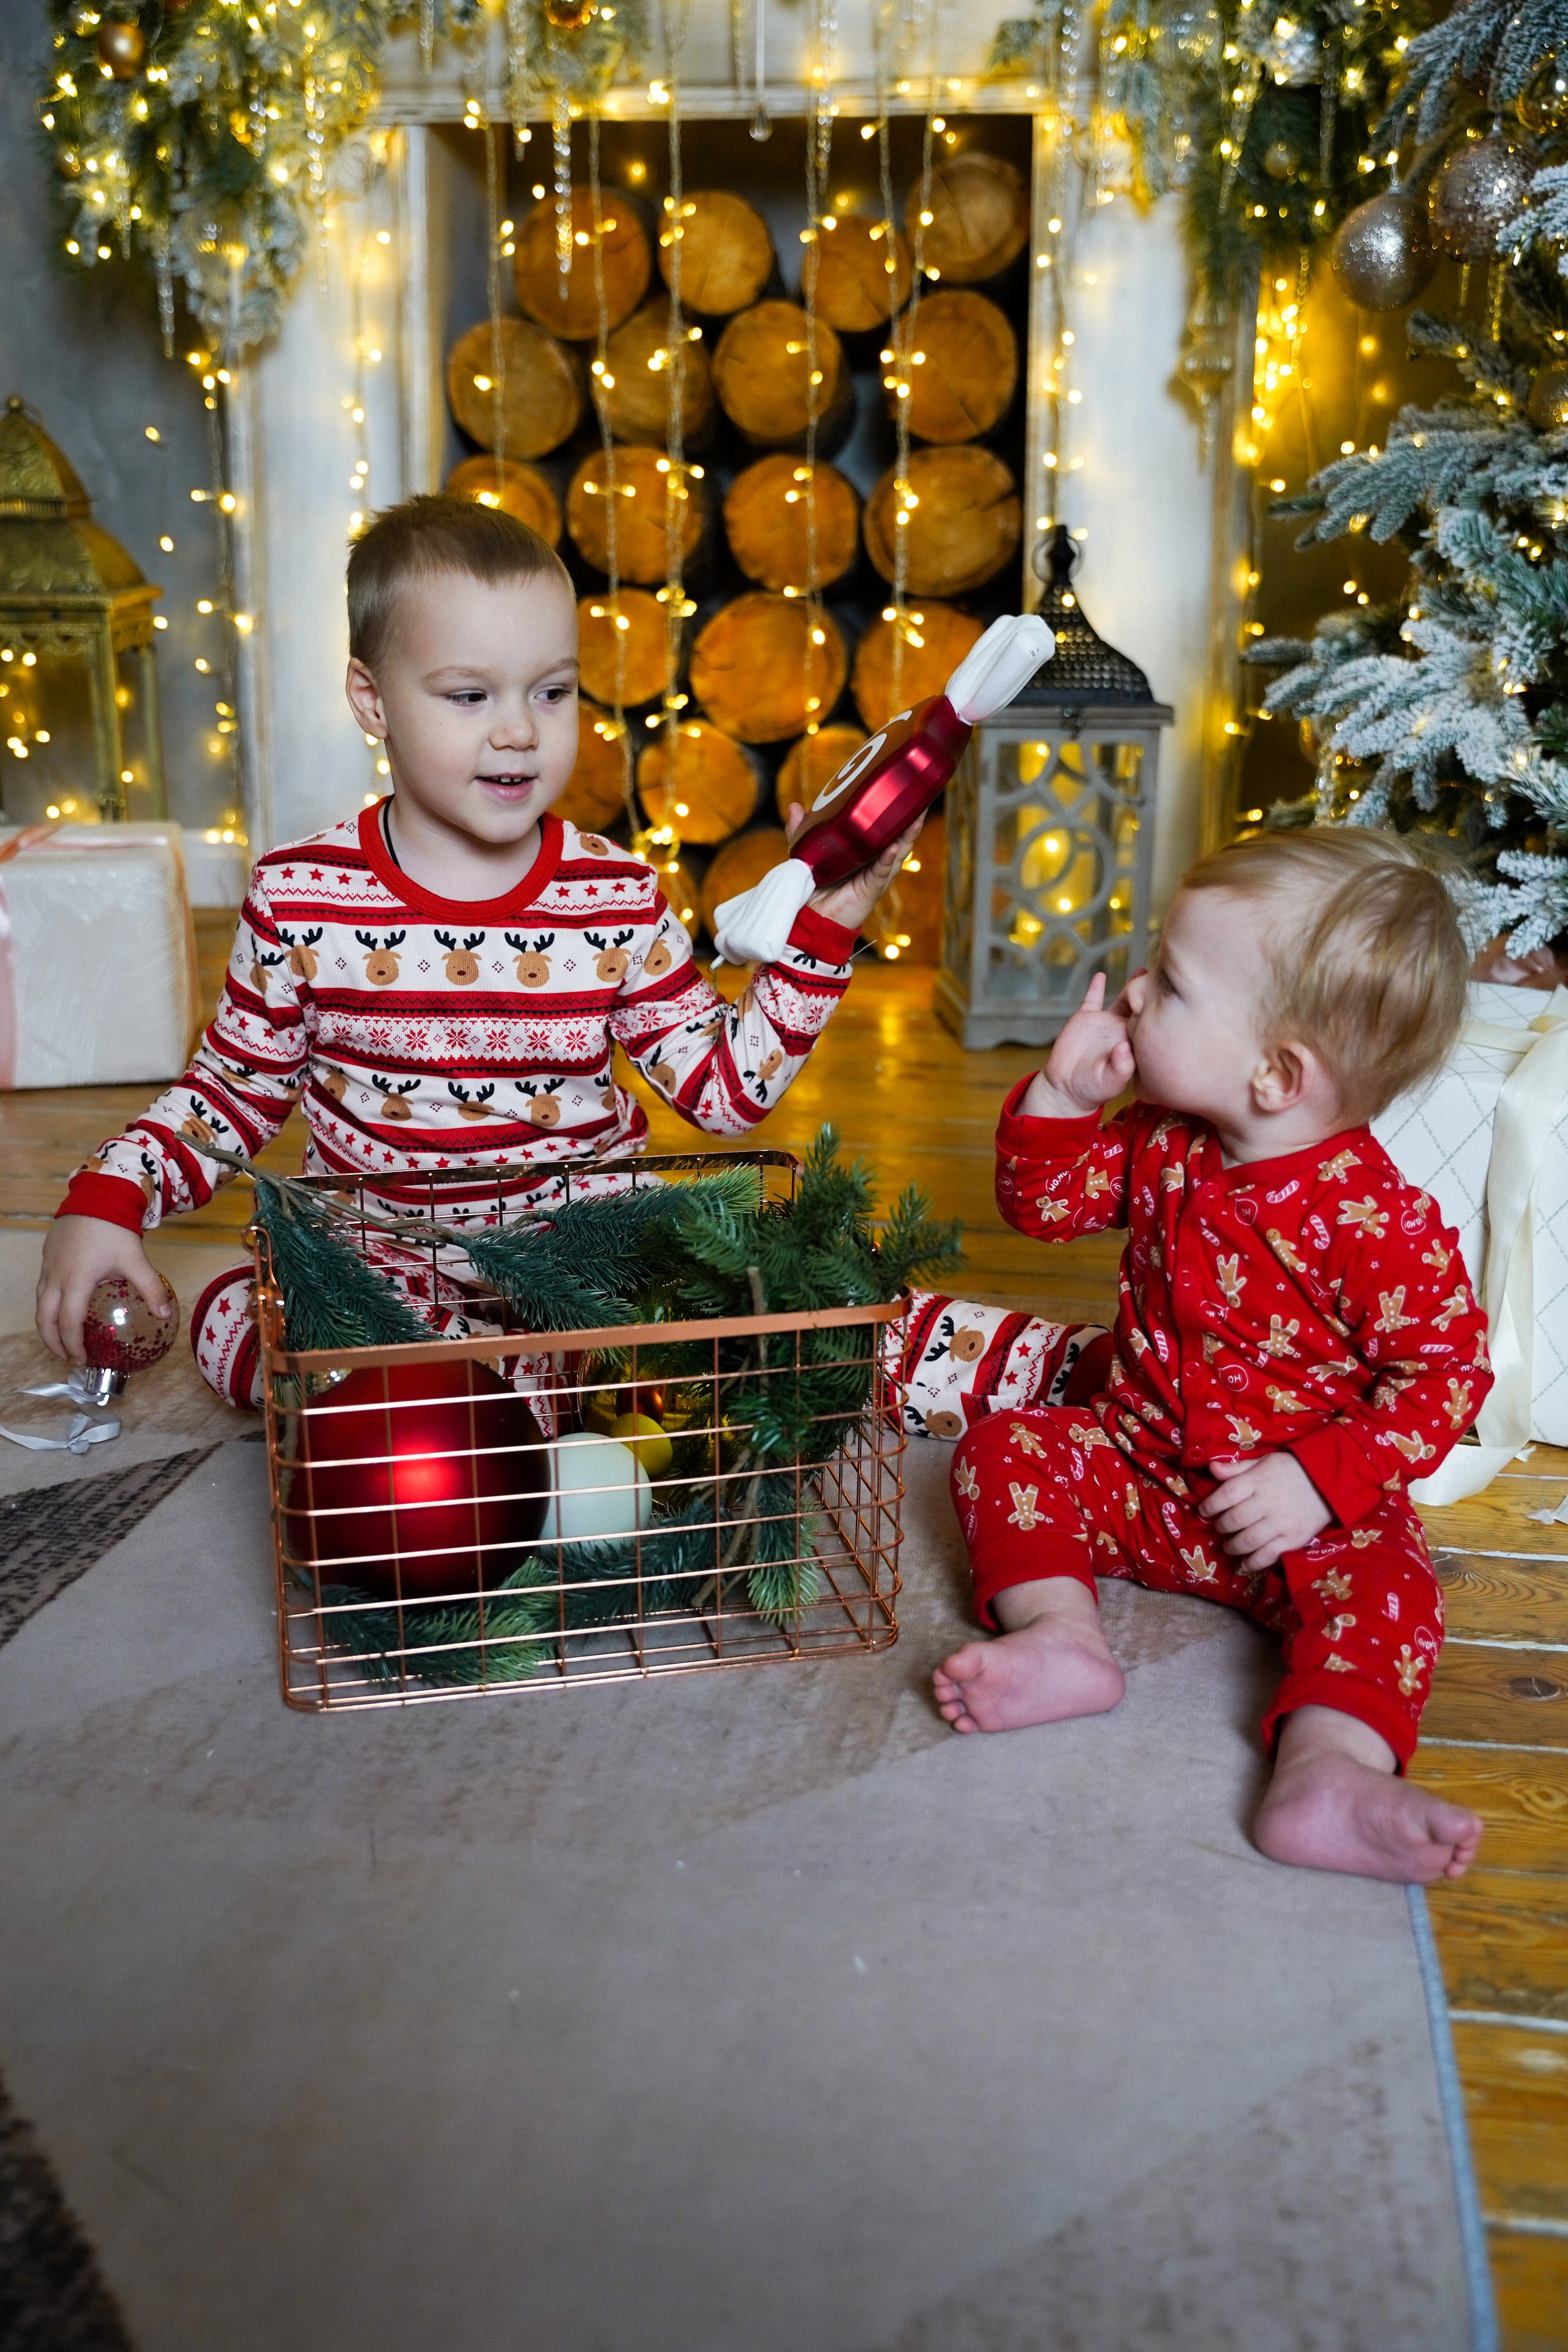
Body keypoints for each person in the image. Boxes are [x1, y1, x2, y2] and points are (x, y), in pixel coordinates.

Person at [36, 495, 918, 1406]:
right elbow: (229, 1094)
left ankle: (511, 1397)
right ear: (372, 702)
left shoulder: (615, 897)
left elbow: (728, 1095)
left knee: (766, 1313)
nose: (519, 731)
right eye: (470, 695)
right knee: (240, 1319)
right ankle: (480, 1402)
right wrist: (107, 1195)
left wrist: (828, 926)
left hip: (581, 1263)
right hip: (378, 1262)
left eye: (553, 691)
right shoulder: (300, 898)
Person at [927, 829, 1491, 1885]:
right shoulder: (1159, 1138)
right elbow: (1045, 1210)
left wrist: (1322, 1482)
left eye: (1172, 984)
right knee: (1005, 1450)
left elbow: (1448, 1378)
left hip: (1292, 1524)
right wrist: (1061, 1096)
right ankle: (1061, 1637)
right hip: (1136, 1472)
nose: (1134, 991)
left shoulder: (1374, 1221)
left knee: (1393, 1594)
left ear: (1277, 1075)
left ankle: (1329, 1770)